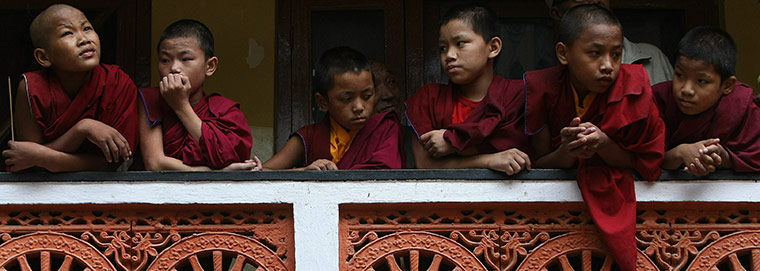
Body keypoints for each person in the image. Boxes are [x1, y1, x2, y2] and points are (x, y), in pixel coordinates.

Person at [525, 4, 665, 271]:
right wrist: (568, 152)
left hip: (636, 220)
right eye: (595, 53)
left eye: (616, 54)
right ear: (564, 53)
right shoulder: (543, 88)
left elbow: (649, 162)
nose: (608, 66)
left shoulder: (634, 86)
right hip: (553, 227)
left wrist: (603, 143)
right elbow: (538, 162)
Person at [3, 4, 138, 172]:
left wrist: (42, 156)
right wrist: (82, 129)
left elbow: (114, 162)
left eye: (87, 28)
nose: (84, 39)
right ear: (43, 57)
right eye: (68, 33)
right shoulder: (32, 87)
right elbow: (27, 164)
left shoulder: (118, 83)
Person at [405, 4, 531, 174]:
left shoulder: (517, 95)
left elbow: (521, 153)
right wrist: (488, 160)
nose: (449, 55)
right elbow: (425, 165)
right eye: (443, 48)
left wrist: (451, 143)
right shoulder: (429, 98)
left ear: (493, 47)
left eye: (460, 43)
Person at [138, 19, 260, 171]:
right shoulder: (150, 100)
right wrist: (216, 173)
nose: (174, 68)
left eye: (185, 59)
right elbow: (155, 164)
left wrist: (181, 106)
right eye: (165, 60)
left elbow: (230, 157)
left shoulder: (226, 112)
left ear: (210, 66)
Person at [263, 46, 403, 170]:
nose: (359, 107)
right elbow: (262, 173)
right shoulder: (310, 136)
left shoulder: (386, 129)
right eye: (347, 99)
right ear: (323, 102)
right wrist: (303, 172)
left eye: (367, 96)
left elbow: (385, 173)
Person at [653, 26, 760, 176]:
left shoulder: (740, 104)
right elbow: (642, 159)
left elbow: (755, 157)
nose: (686, 90)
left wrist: (723, 157)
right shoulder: (659, 99)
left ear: (727, 86)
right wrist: (680, 152)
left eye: (702, 81)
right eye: (680, 75)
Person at [546, 0, 673, 85]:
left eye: (616, 54)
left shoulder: (652, 57)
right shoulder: (544, 77)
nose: (594, 1)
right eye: (595, 53)